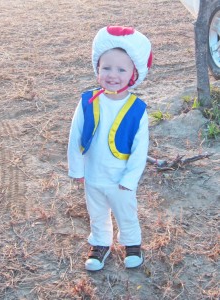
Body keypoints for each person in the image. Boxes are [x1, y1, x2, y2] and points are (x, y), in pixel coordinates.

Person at [68, 25, 152, 271]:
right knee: (96, 211)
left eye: (121, 69)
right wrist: (77, 169)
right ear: (97, 69)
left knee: (125, 210)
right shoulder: (87, 101)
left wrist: (131, 178)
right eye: (106, 68)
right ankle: (100, 244)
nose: (112, 74)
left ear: (133, 74)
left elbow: (140, 149)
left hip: (121, 177)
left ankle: (132, 243)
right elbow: (74, 137)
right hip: (93, 174)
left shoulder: (138, 109)